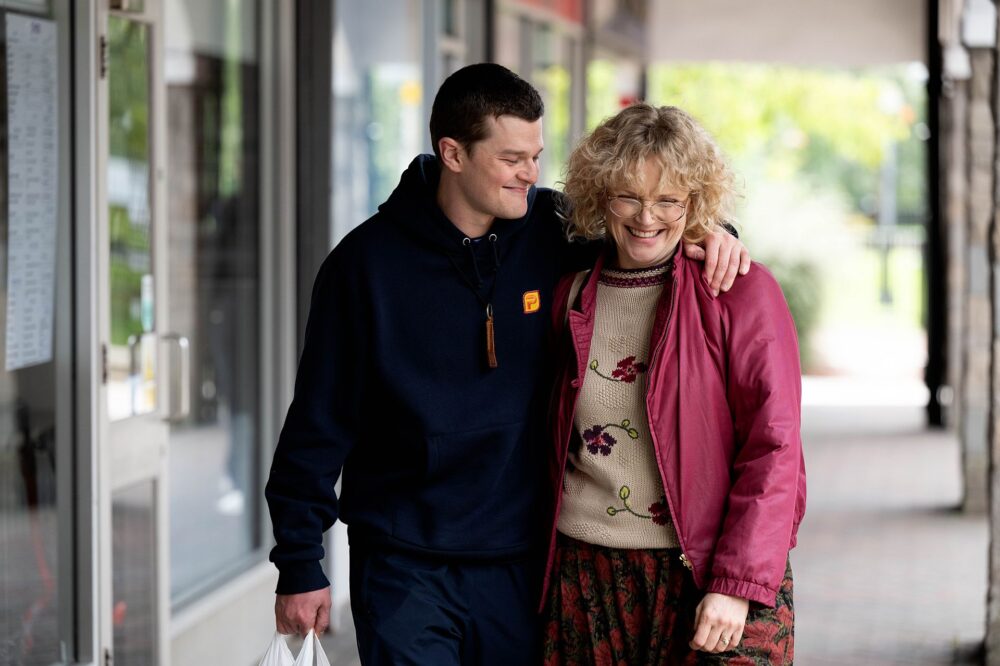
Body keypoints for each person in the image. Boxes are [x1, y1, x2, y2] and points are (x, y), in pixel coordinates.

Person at [265, 64, 749, 665]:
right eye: (512, 158)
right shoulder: (363, 267)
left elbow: (648, 228)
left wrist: (717, 232)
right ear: (453, 153)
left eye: (536, 156)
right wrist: (299, 562)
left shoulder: (553, 230)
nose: (531, 173)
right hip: (402, 563)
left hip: (523, 563)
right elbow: (317, 424)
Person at [542, 103, 806, 665]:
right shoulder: (569, 295)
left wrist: (736, 584)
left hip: (710, 574)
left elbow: (775, 449)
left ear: (695, 202)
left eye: (668, 200)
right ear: (600, 195)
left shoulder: (739, 290)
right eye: (628, 196)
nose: (647, 217)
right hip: (587, 578)